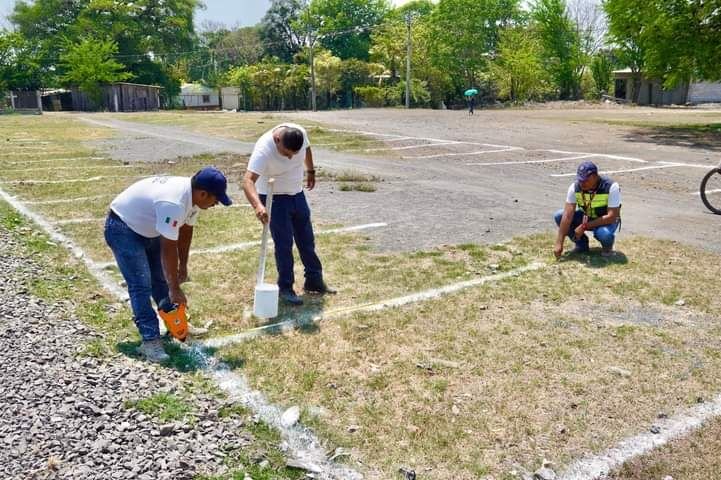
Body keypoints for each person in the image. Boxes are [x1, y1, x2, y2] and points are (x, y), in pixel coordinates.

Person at [104, 167, 232, 362]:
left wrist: (183, 267)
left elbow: (186, 231)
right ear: (203, 193)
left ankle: (176, 325)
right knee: (141, 284)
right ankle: (150, 341)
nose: (216, 204)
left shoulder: (193, 198)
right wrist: (175, 288)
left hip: (147, 228)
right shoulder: (174, 203)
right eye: (216, 199)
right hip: (123, 228)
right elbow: (168, 247)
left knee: (160, 280)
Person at [242, 123, 336, 306]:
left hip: (297, 194)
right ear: (277, 140)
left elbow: (307, 148)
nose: (291, 157)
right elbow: (247, 181)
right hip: (274, 199)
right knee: (284, 244)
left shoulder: (299, 133)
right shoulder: (263, 150)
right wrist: (258, 206)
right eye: (287, 153)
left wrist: (310, 170)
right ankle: (285, 288)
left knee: (307, 240)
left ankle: (314, 281)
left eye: (294, 153)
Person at [554, 161, 621, 258]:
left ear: (595, 176)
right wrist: (559, 243)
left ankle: (607, 249)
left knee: (604, 234)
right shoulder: (575, 187)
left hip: (606, 220)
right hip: (586, 217)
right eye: (580, 180)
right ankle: (581, 245)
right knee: (559, 215)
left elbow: (611, 217)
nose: (582, 183)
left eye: (585, 180)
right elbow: (567, 216)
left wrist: (584, 226)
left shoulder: (611, 187)